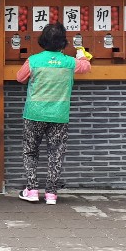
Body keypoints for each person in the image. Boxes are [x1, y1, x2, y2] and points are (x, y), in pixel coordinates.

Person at [16, 21, 92, 205]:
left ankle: (32, 190)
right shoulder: (69, 62)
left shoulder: (34, 60)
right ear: (63, 43)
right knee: (56, 153)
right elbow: (87, 67)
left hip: (34, 113)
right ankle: (51, 193)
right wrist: (82, 56)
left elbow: (19, 78)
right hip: (59, 114)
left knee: (30, 151)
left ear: (43, 40)